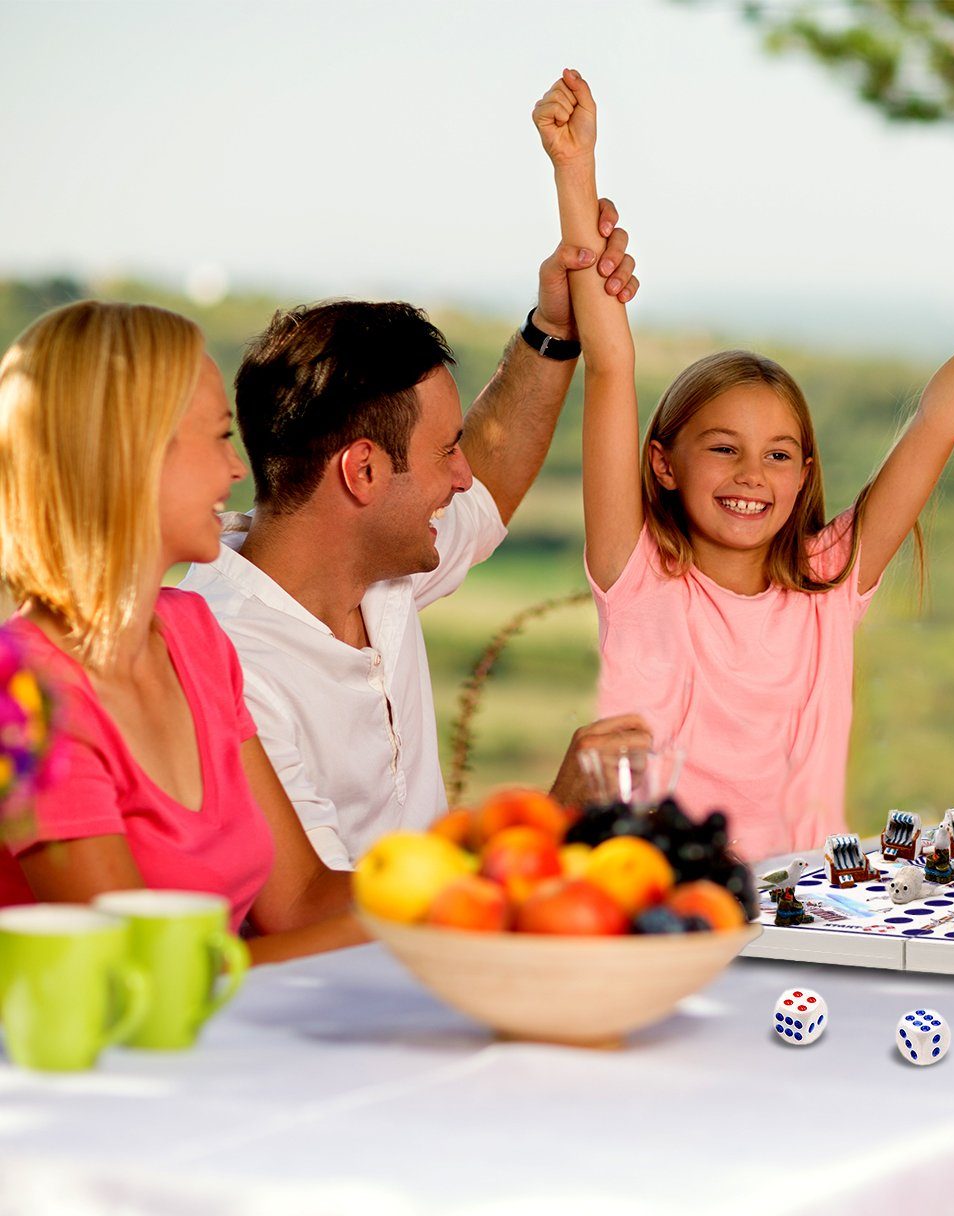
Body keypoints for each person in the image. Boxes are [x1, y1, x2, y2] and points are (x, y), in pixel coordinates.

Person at [532, 68, 954, 856]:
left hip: (810, 913)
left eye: (779, 454)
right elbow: (610, 363)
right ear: (663, 465)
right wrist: (576, 171)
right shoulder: (636, 573)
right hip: (658, 908)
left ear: (805, 474)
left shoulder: (830, 579)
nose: (752, 475)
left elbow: (938, 421)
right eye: (723, 448)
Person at [178, 224, 648, 871]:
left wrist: (553, 327)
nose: (461, 475)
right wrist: (550, 821)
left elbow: (491, 471)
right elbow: (314, 908)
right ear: (363, 472)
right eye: (445, 450)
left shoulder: (375, 565)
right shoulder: (229, 661)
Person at [0, 301, 360, 962]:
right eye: (221, 435)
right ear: (133, 453)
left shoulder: (193, 635)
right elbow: (140, 973)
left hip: (218, 1042)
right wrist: (422, 925)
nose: (235, 470)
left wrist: (476, 877)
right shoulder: (20, 696)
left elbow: (302, 897)